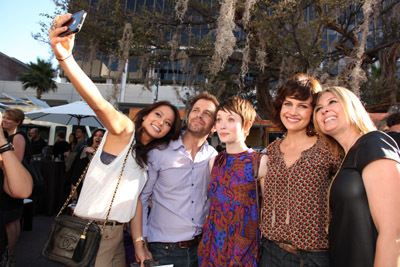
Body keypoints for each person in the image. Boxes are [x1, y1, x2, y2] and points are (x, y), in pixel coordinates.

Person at [49, 13, 182, 267]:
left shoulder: (145, 155)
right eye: (158, 115)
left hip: (116, 235)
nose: (161, 123)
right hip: (92, 231)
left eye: (168, 124)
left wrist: (140, 244)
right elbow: (98, 104)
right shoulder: (124, 130)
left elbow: (136, 204)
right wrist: (64, 57)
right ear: (144, 116)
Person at [258, 74, 342, 267]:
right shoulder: (272, 150)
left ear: (313, 111)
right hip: (270, 252)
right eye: (288, 104)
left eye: (303, 106)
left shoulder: (328, 149)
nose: (293, 112)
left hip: (313, 257)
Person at [314, 86, 400, 267]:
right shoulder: (346, 158)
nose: (324, 110)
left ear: (352, 106)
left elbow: (393, 234)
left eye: (332, 101)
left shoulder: (374, 143)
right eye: (318, 108)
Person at [139, 91, 219, 267]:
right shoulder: (159, 152)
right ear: (188, 115)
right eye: (196, 110)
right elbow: (142, 198)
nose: (199, 115)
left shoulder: (213, 157)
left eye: (207, 114)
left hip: (201, 249)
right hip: (163, 250)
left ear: (214, 126)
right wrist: (141, 242)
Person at [198, 97, 267, 266]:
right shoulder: (214, 161)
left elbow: (267, 208)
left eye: (230, 120)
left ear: (247, 126)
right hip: (213, 244)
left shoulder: (260, 162)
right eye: (219, 119)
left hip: (243, 247)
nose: (222, 125)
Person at [0, 112, 33, 267]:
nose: (4, 120)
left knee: (11, 219)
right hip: (7, 181)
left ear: (17, 122)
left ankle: (11, 253)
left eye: (8, 118)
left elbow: (16, 163)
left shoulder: (17, 137)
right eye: (4, 117)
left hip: (11, 181)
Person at [65, 128, 106, 199]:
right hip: (82, 185)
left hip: (97, 187)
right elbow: (76, 169)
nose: (98, 137)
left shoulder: (105, 153)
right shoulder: (85, 150)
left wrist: (94, 153)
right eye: (95, 135)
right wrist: (73, 186)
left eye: (101, 136)